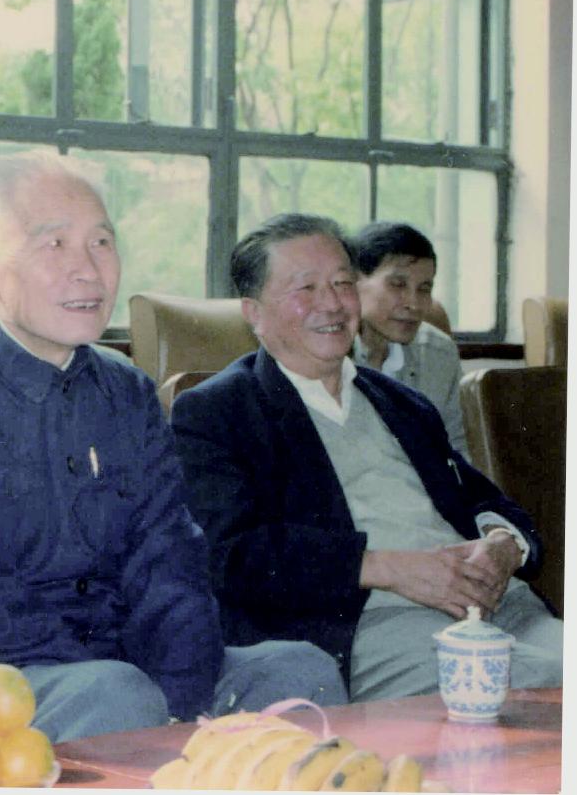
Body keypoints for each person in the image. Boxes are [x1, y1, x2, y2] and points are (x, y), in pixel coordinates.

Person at [0, 151, 345, 742]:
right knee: (114, 698)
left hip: (118, 670)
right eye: (54, 244)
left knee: (300, 672)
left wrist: (181, 692)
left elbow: (170, 559)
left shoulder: (125, 391)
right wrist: (122, 679)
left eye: (102, 243)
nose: (87, 270)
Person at [171, 213, 562, 702]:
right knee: (540, 686)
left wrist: (505, 545)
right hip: (376, 623)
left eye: (342, 283)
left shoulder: (402, 402)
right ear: (254, 312)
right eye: (307, 288)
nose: (333, 303)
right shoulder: (219, 411)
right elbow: (230, 555)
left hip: (502, 605)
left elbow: (483, 498)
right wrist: (385, 567)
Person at [349, 221, 469, 460]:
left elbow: (460, 447)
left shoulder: (438, 353)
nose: (414, 304)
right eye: (398, 284)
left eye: (424, 288)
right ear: (354, 282)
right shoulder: (327, 354)